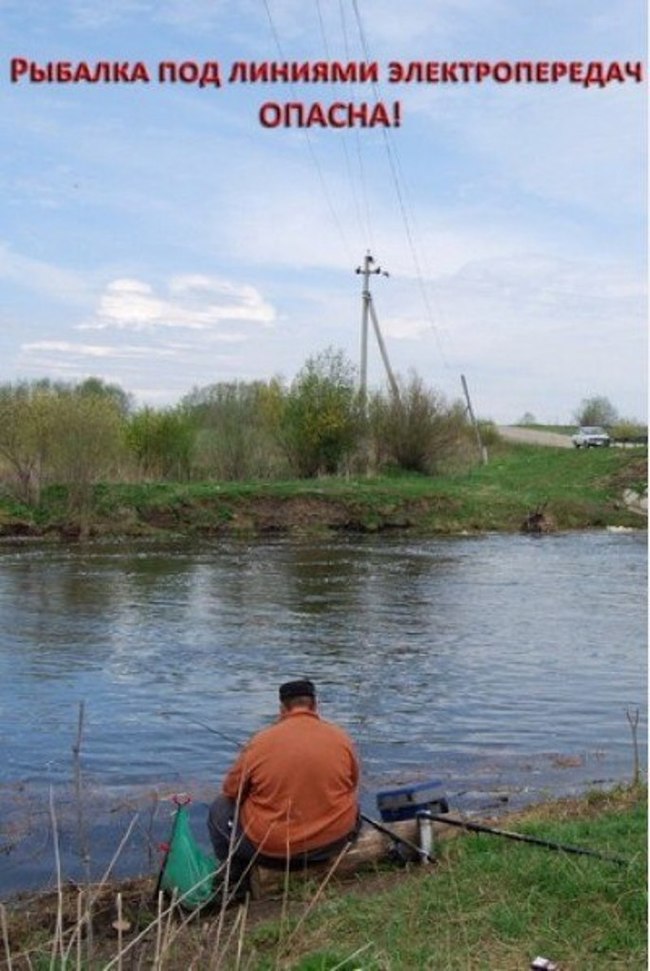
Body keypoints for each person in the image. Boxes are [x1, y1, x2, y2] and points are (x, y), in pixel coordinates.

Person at [208, 679, 360, 891]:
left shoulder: (260, 742)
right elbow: (352, 784)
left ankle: (235, 879)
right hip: (334, 842)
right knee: (352, 802)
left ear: (282, 709)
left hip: (276, 852)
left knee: (219, 808)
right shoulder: (341, 738)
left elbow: (231, 791)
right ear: (315, 706)